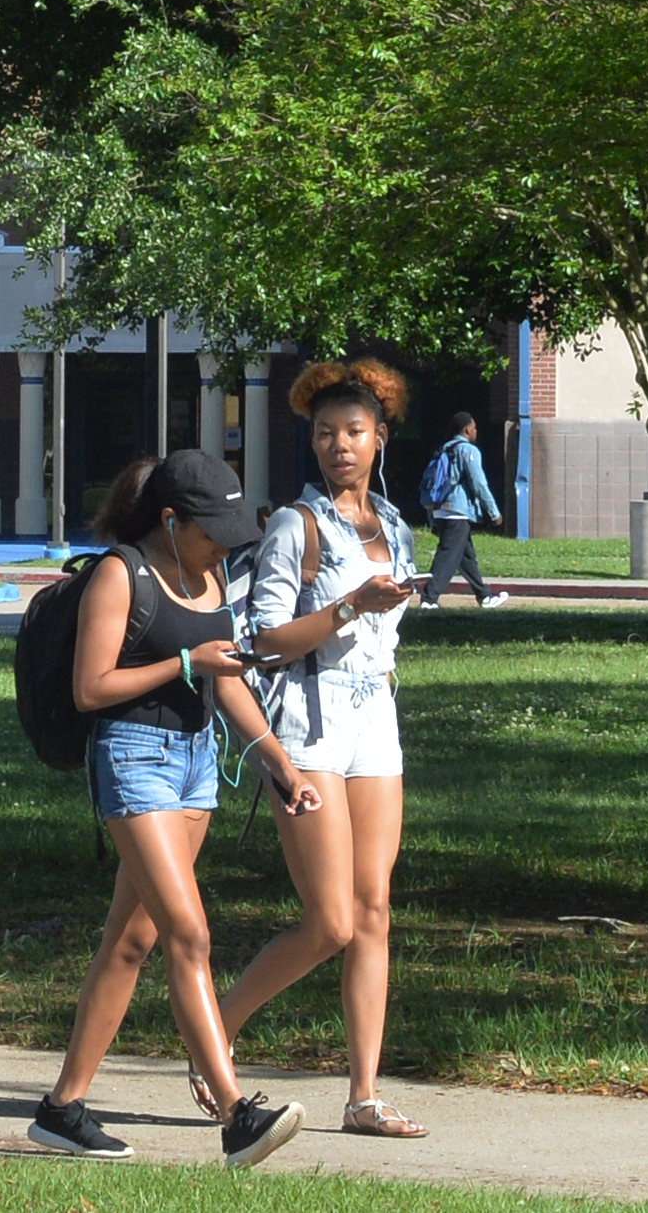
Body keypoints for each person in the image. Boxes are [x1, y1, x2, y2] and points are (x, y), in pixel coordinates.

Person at [30, 448, 321, 1170]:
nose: (223, 545)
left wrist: (279, 766)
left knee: (131, 942)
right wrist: (186, 665)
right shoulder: (119, 572)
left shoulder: (209, 573)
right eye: (210, 530)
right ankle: (235, 1116)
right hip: (131, 759)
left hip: (194, 767)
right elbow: (90, 688)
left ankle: (62, 1110)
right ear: (170, 519)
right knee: (187, 933)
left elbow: (227, 684)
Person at [210, 357, 427, 1141]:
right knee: (330, 920)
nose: (340, 445)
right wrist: (346, 607)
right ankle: (214, 1033)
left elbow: (384, 634)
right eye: (325, 433)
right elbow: (262, 642)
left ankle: (363, 1095)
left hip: (375, 723)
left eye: (354, 432)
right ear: (311, 441)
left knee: (373, 913)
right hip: (308, 728)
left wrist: (378, 617)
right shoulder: (292, 527)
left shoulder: (393, 525)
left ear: (380, 438)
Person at [419, 413, 510, 610]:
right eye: (474, 428)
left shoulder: (443, 449)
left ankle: (484, 596)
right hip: (458, 512)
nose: (476, 431)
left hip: (441, 510)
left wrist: (432, 517)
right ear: (467, 430)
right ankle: (429, 599)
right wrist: (493, 512)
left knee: (466, 557)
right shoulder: (468, 451)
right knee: (448, 556)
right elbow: (479, 483)